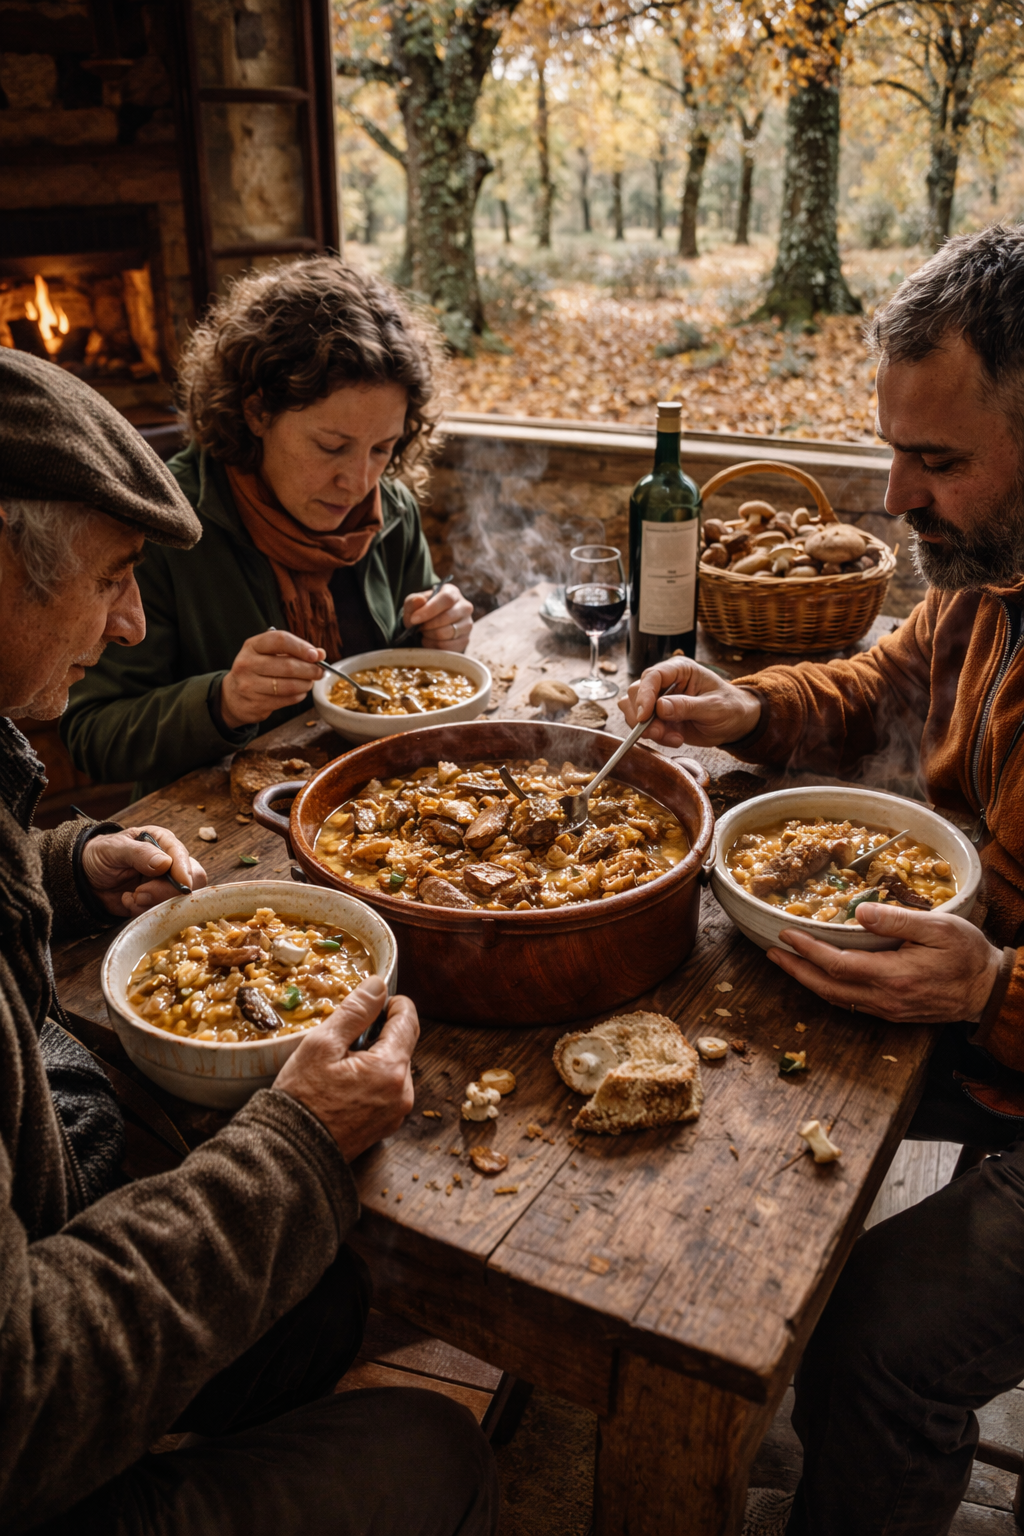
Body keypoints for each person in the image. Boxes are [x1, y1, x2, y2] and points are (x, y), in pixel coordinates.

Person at [0, 348, 498, 1535]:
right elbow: (20, 1404)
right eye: (116, 577)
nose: (128, 619)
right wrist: (297, 1140)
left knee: (321, 1304)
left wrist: (62, 864)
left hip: (58, 1190)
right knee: (435, 1442)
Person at [622, 224, 1024, 1536]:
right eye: (895, 450)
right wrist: (747, 709)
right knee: (711, 1147)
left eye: (939, 461)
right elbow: (885, 683)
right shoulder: (982, 578)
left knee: (877, 1343)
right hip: (958, 1015)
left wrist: (998, 987)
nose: (897, 498)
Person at [61, 258, 475, 798]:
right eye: (332, 446)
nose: (358, 481)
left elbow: (405, 672)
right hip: (217, 828)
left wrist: (439, 636)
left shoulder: (390, 509)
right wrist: (224, 701)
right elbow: (91, 733)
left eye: (383, 448)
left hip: (379, 800)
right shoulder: (158, 526)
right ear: (257, 413)